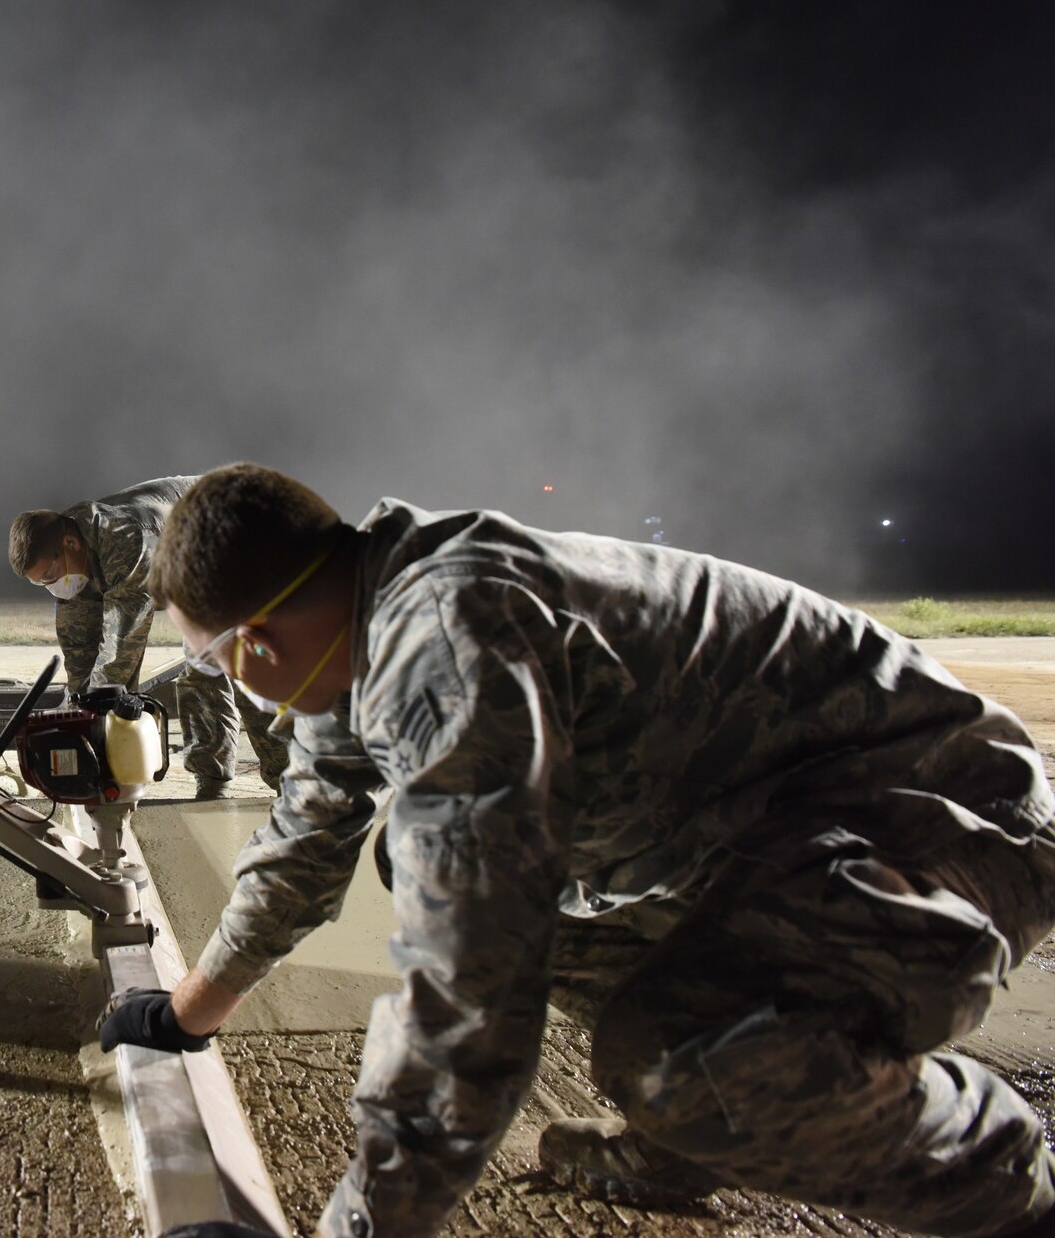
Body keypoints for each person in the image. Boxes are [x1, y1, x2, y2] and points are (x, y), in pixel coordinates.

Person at [102, 462, 1055, 1238]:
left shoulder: (446, 643)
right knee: (421, 858)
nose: (230, 680)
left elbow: (471, 988)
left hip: (944, 823)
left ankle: (1009, 1176)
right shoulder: (365, 624)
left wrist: (360, 1222)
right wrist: (190, 1013)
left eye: (212, 656)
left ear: (258, 635)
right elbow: (305, 843)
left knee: (671, 1059)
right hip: (773, 834)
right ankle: (690, 1132)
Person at [9, 478, 285, 799]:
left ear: (70, 545)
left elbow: (123, 646)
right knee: (198, 671)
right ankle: (213, 782)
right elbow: (80, 652)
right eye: (42, 584)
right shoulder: (71, 554)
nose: (53, 586)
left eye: (50, 577)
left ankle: (294, 782)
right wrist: (76, 717)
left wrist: (101, 720)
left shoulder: (123, 539)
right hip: (192, 568)